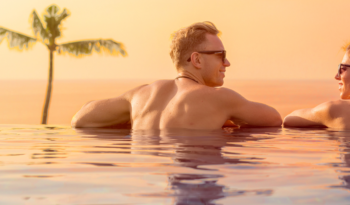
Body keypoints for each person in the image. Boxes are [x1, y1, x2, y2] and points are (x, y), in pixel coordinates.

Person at [71, 21, 282, 130]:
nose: (227, 62)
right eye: (221, 55)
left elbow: (80, 119)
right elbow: (274, 119)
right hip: (197, 176)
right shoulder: (220, 98)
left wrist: (130, 118)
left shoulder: (140, 96)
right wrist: (225, 115)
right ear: (197, 60)